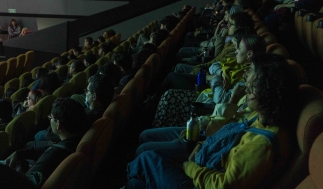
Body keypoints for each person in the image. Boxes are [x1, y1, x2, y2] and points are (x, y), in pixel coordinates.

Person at [124, 53, 300, 189]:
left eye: (252, 84)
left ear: (267, 91)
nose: (246, 84)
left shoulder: (262, 145)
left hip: (201, 178)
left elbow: (223, 186)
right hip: (205, 160)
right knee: (137, 182)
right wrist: (202, 146)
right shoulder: (259, 117)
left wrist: (189, 166)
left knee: (147, 158)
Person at [5, 98, 87, 187]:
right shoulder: (75, 138)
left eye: (51, 117)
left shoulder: (51, 156)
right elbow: (50, 147)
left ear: (58, 124)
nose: (49, 119)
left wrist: (18, 170)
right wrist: (19, 154)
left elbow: (26, 185)